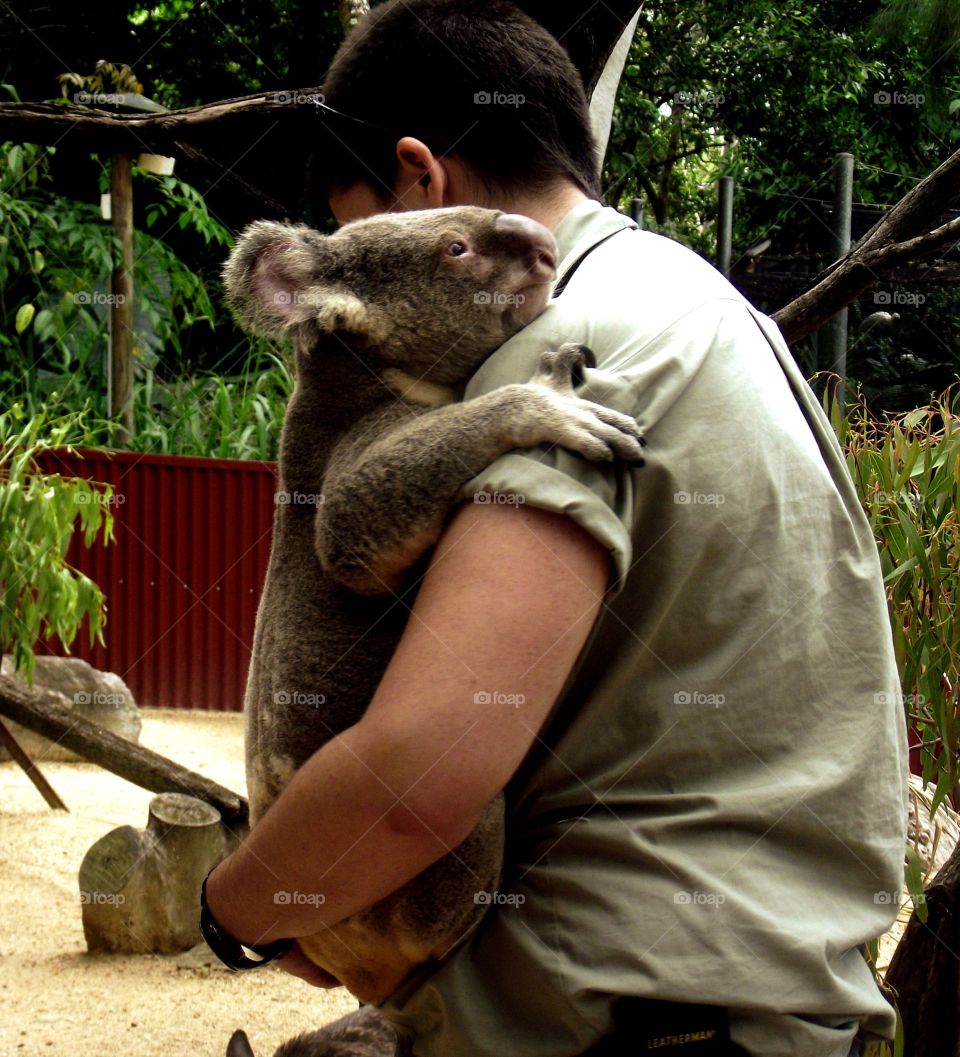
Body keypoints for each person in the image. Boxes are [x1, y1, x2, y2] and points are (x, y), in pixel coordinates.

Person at [204, 2, 909, 1054]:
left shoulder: (562, 349)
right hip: (763, 998)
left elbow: (419, 775)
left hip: (624, 1014)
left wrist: (238, 911)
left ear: (419, 183)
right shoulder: (709, 308)